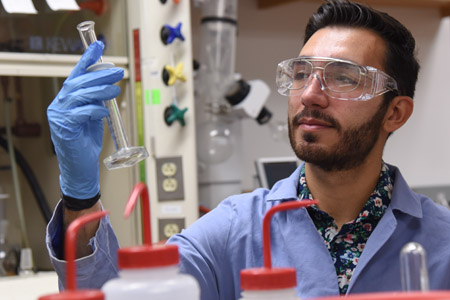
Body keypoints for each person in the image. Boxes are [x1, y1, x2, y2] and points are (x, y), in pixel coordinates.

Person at [46, 0, 450, 299]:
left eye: (343, 78)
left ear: (395, 112)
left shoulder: (442, 242)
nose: (310, 94)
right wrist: (81, 195)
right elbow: (114, 293)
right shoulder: (232, 231)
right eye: (302, 73)